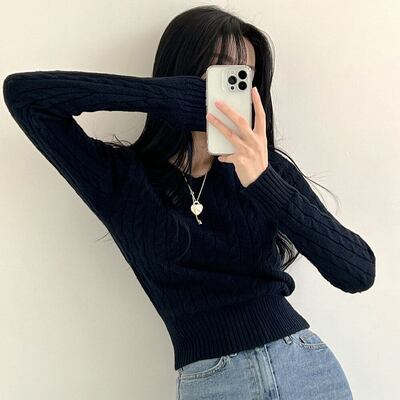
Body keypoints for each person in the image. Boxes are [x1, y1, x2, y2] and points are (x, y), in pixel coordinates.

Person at [3, 5, 375, 400]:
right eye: (216, 68)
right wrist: (165, 98)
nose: (226, 86)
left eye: (241, 75)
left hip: (305, 367)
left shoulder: (267, 169)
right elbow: (25, 96)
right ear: (182, 70)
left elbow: (357, 272)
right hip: (214, 383)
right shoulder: (122, 177)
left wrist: (262, 180)